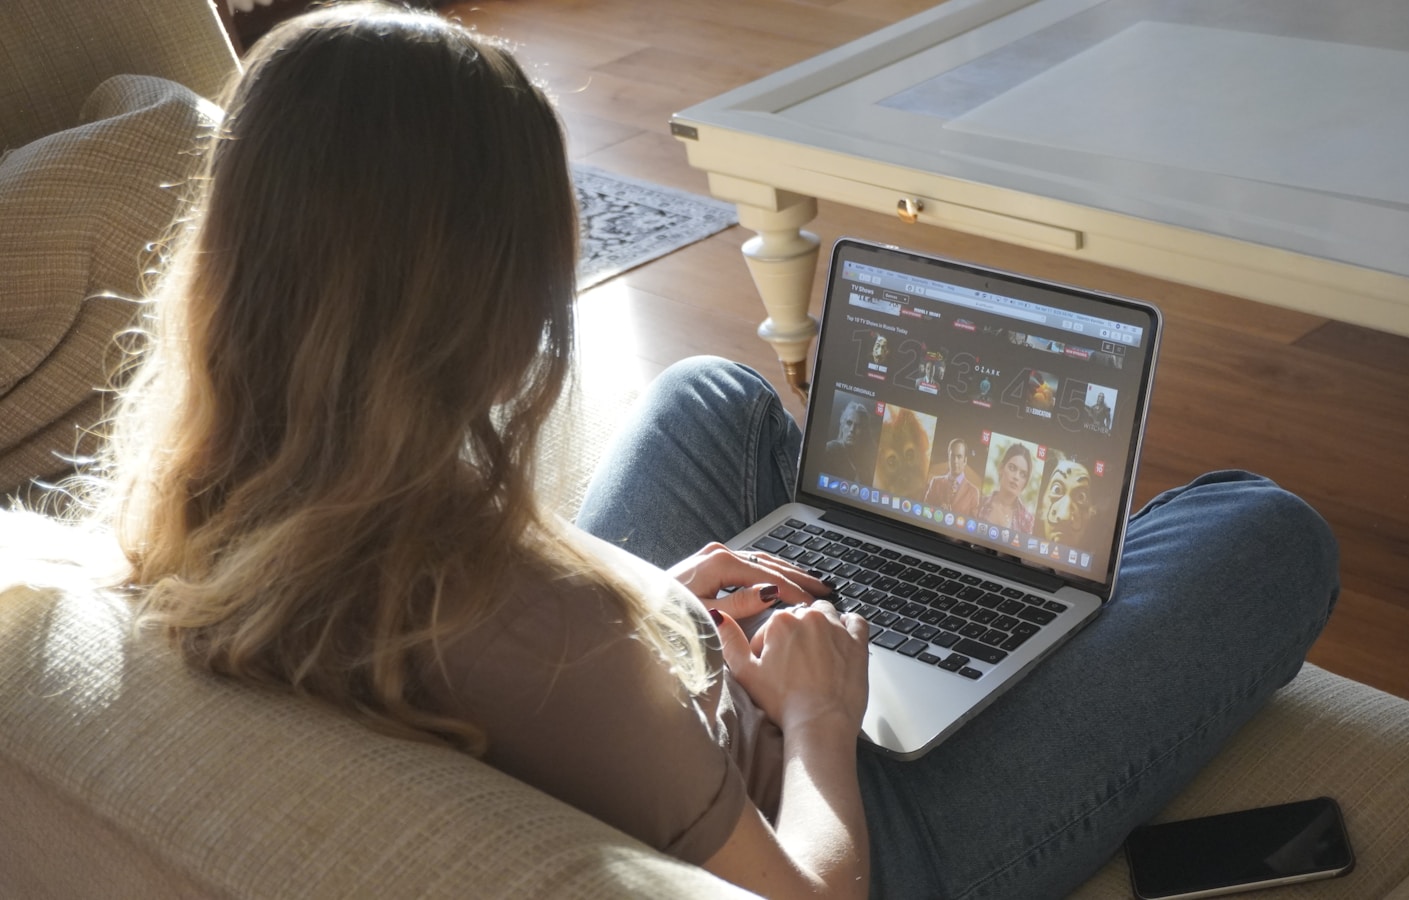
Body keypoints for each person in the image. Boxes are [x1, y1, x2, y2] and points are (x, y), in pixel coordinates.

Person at [75, 5, 1341, 898]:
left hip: (641, 724)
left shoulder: (199, 498)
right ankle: (961, 613)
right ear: (488, 286)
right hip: (853, 836)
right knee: (1260, 528)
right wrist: (821, 716)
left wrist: (660, 614)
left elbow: (523, 663)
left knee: (712, 394)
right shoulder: (546, 628)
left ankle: (871, 568)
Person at [978, 441, 1037, 535]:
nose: (1016, 477)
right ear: (1001, 468)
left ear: (1026, 482)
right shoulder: (980, 503)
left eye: (1023, 474)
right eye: (1012, 468)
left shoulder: (1029, 521)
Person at [922, 438, 979, 519]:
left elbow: (973, 523)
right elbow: (924, 510)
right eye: (952, 456)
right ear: (948, 457)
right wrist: (937, 510)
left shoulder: (973, 492)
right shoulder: (935, 482)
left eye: (959, 457)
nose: (955, 461)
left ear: (965, 460)